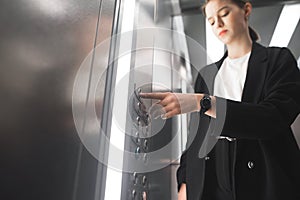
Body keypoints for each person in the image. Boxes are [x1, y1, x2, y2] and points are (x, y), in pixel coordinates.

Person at [140, 0, 300, 199]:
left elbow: (274, 117)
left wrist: (204, 102)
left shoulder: (278, 60)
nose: (218, 24)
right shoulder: (207, 75)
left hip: (265, 178)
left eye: (224, 13)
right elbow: (195, 137)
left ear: (246, 10)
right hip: (213, 179)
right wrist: (185, 181)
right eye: (211, 20)